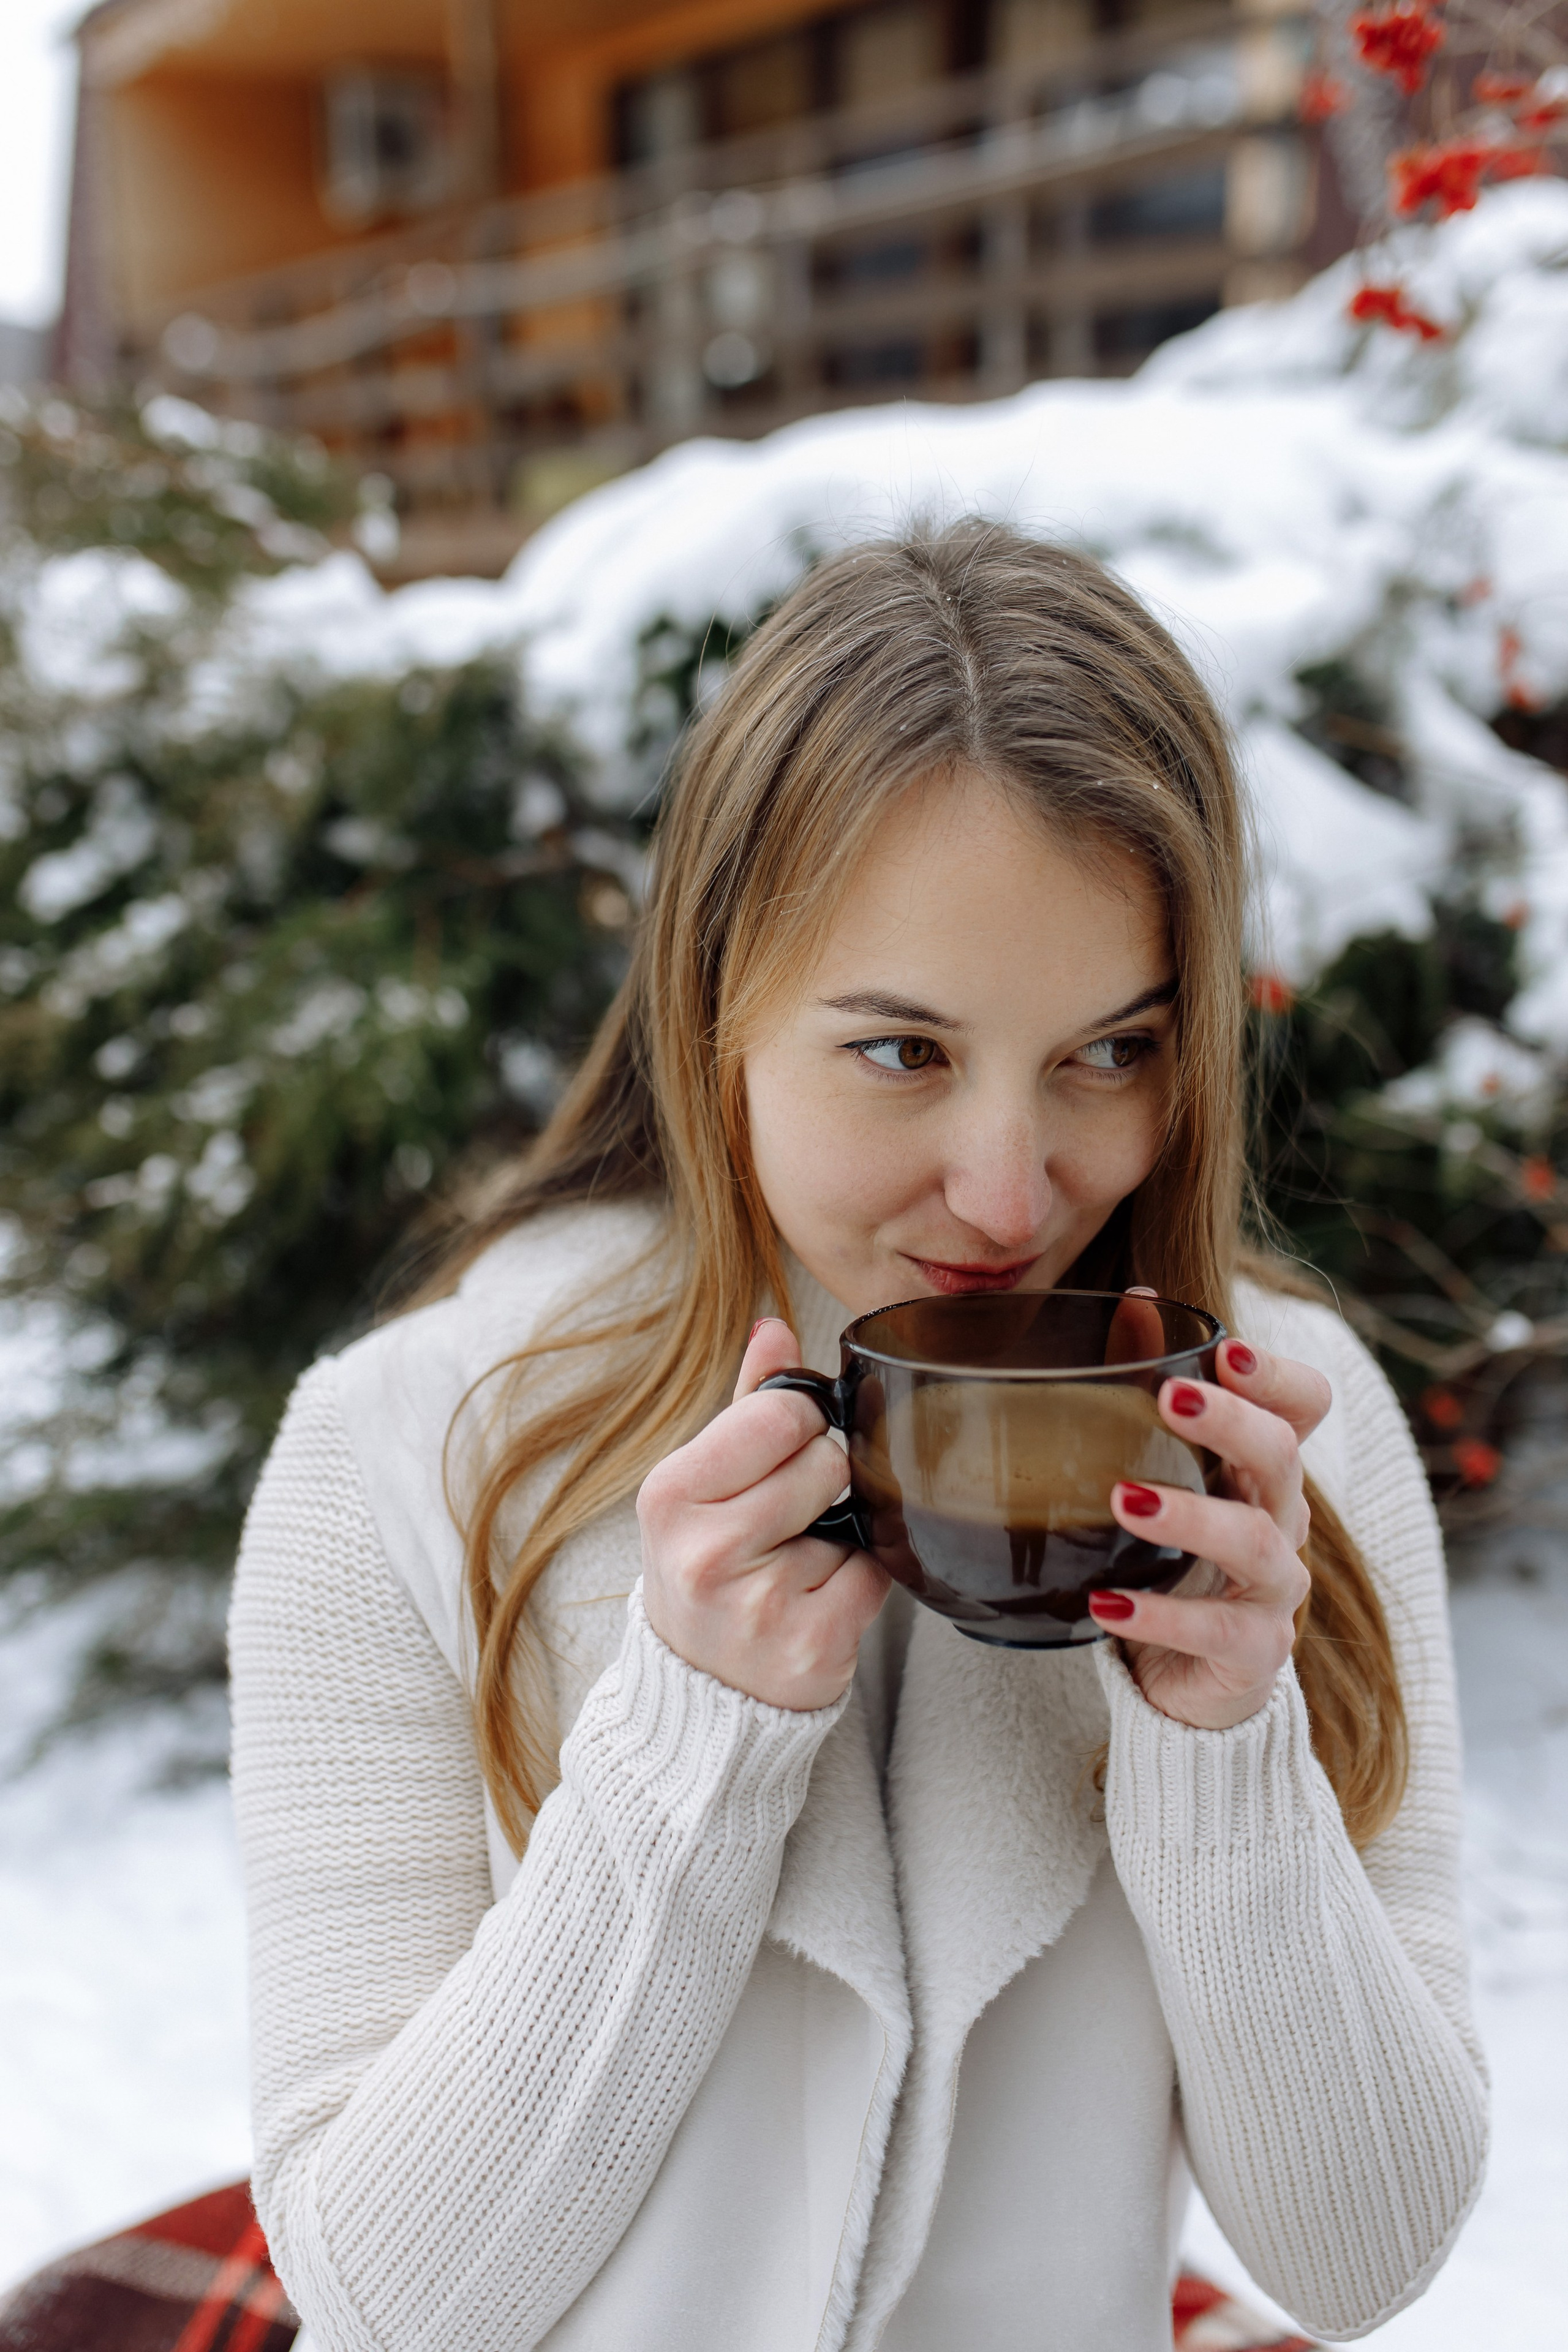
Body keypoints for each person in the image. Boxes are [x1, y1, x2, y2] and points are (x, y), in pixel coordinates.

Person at [228, 524, 1487, 2352]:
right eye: (904, 1052)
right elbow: (388, 2297)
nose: (1009, 1186)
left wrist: (1226, 1758)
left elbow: (1363, 2259)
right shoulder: (407, 1456)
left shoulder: (1292, 1445)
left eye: (1110, 1053)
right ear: (716, 997)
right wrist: (689, 1749)